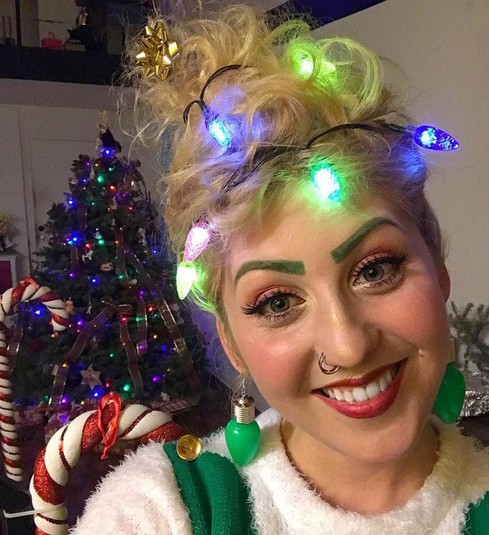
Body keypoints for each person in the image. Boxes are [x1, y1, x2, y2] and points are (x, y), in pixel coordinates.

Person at [71, 5, 489, 534]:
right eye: (277, 302)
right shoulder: (160, 510)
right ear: (231, 341)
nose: (347, 346)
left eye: (375, 270)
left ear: (437, 265)